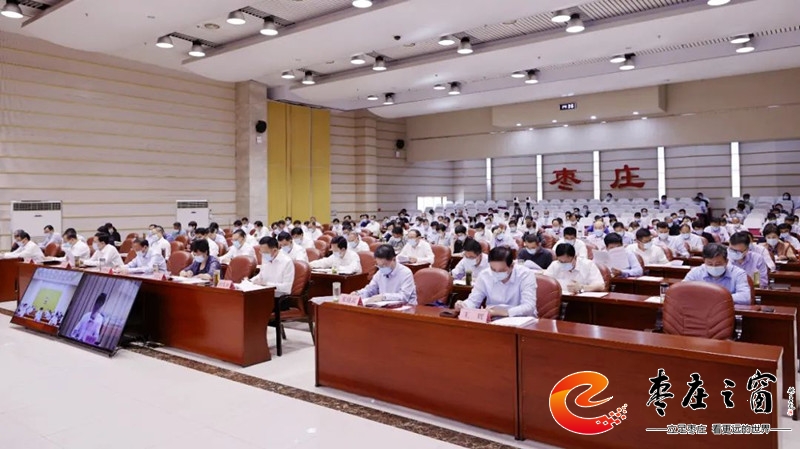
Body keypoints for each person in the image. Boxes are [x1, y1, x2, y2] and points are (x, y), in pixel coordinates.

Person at [455, 247, 537, 317]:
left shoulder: (525, 274)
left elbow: (529, 306)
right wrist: (464, 305)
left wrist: (502, 312)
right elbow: (473, 301)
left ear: (512, 266)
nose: (497, 273)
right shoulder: (485, 275)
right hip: (493, 320)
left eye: (501, 270)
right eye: (493, 269)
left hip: (521, 320)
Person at [684, 244, 751, 305]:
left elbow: (746, 297)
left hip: (726, 311)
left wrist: (714, 297)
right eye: (710, 264)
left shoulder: (738, 273)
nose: (714, 267)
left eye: (718, 264)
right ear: (704, 261)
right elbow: (681, 292)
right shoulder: (696, 272)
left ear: (726, 261)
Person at [351, 245, 417, 305]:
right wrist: (358, 294)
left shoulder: (406, 273)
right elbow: (370, 290)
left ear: (394, 259)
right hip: (385, 307)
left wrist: (384, 297)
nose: (382, 268)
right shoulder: (380, 273)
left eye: (384, 265)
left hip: (406, 308)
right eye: (379, 265)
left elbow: (404, 296)